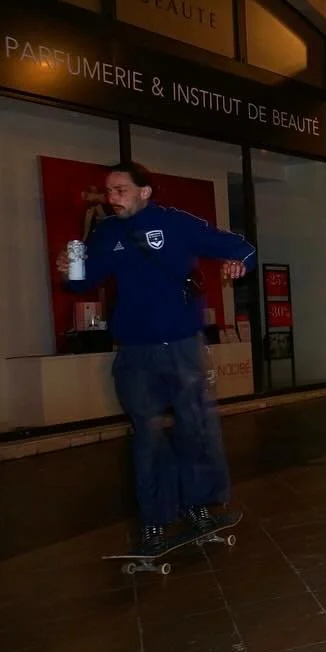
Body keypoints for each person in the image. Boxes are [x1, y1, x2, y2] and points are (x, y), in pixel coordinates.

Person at [59, 162, 254, 554]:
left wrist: (239, 263)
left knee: (194, 430)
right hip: (135, 351)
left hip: (182, 346)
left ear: (144, 192)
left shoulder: (175, 223)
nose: (112, 198)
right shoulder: (107, 233)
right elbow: (84, 281)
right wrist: (69, 270)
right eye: (109, 191)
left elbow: (238, 247)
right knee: (147, 437)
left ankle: (196, 506)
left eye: (121, 190)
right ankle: (153, 521)